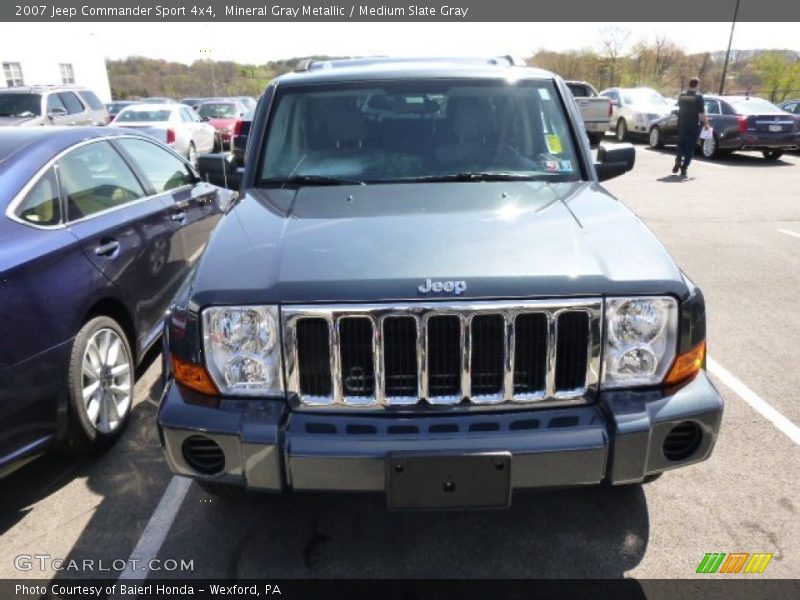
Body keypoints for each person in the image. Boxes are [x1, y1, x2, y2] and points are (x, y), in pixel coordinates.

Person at [673, 77, 710, 178]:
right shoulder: (698, 97)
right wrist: (706, 124)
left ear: (689, 84)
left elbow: (679, 108)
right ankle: (684, 167)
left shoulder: (682, 95)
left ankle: (678, 160)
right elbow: (702, 113)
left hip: (681, 124)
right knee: (690, 147)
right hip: (693, 125)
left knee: (681, 144)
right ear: (697, 85)